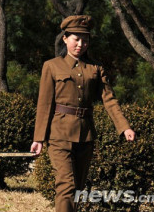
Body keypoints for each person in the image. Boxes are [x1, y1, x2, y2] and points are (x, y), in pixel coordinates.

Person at [30, 15, 136, 212]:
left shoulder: (95, 68)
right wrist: (39, 138)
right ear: (65, 38)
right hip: (59, 135)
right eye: (76, 39)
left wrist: (124, 127)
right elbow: (44, 104)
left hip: (85, 135)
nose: (81, 44)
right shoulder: (52, 66)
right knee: (66, 185)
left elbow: (109, 100)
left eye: (85, 39)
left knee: (77, 189)